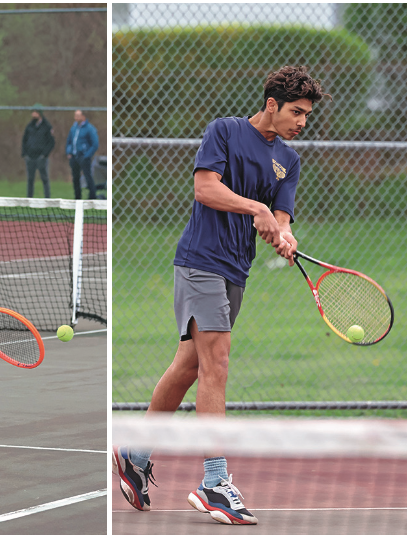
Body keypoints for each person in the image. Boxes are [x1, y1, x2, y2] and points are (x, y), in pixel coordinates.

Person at [113, 66, 331, 524]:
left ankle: (135, 450)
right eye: (296, 112)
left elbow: (282, 216)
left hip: (236, 269)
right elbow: (204, 187)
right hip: (200, 261)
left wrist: (284, 234)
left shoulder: (289, 160)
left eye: (307, 115)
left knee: (189, 365)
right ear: (271, 104)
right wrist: (255, 208)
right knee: (218, 362)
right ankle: (214, 481)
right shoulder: (225, 132)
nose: (302, 122)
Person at [21, 103, 55, 198]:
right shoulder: (30, 126)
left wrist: (44, 155)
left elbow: (51, 142)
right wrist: (25, 154)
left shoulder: (47, 126)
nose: (33, 114)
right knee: (30, 179)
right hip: (30, 157)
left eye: (35, 112)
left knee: (44, 178)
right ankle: (29, 198)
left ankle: (47, 198)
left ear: (39, 113)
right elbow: (24, 140)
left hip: (41, 157)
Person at [66, 110, 99, 199]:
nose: (76, 118)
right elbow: (69, 141)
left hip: (83, 157)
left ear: (83, 116)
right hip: (74, 157)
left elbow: (95, 144)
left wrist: (87, 155)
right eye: (75, 116)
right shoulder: (73, 128)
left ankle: (92, 197)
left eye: (78, 116)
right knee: (75, 178)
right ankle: (77, 198)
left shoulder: (89, 128)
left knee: (88, 177)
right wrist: (69, 152)